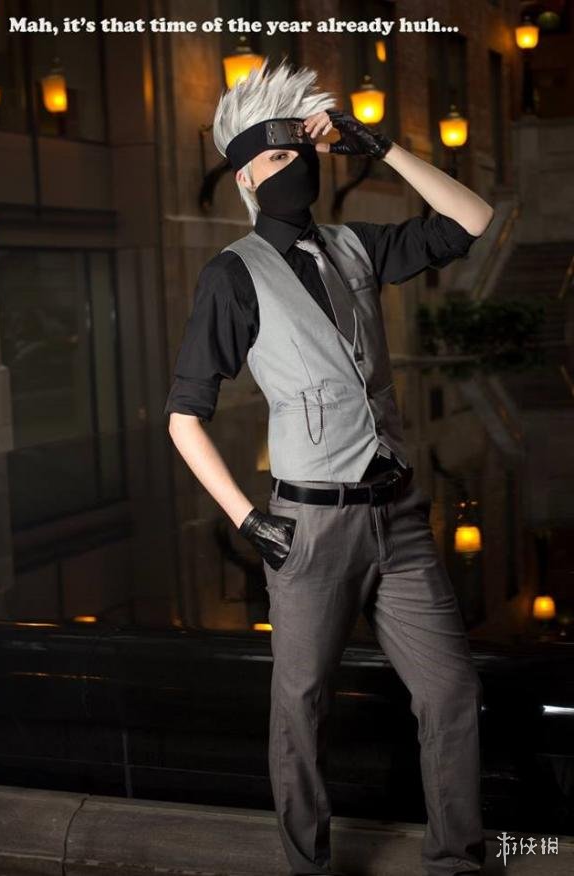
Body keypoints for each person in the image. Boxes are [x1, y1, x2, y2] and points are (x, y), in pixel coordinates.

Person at [165, 58, 494, 876]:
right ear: (247, 177)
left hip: (400, 517)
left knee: (451, 692)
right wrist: (249, 519)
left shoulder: (355, 246)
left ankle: (455, 859)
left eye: (301, 150)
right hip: (309, 528)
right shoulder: (233, 274)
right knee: (302, 708)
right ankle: (308, 868)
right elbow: (183, 417)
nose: (297, 165)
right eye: (277, 156)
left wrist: (380, 147)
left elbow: (473, 218)